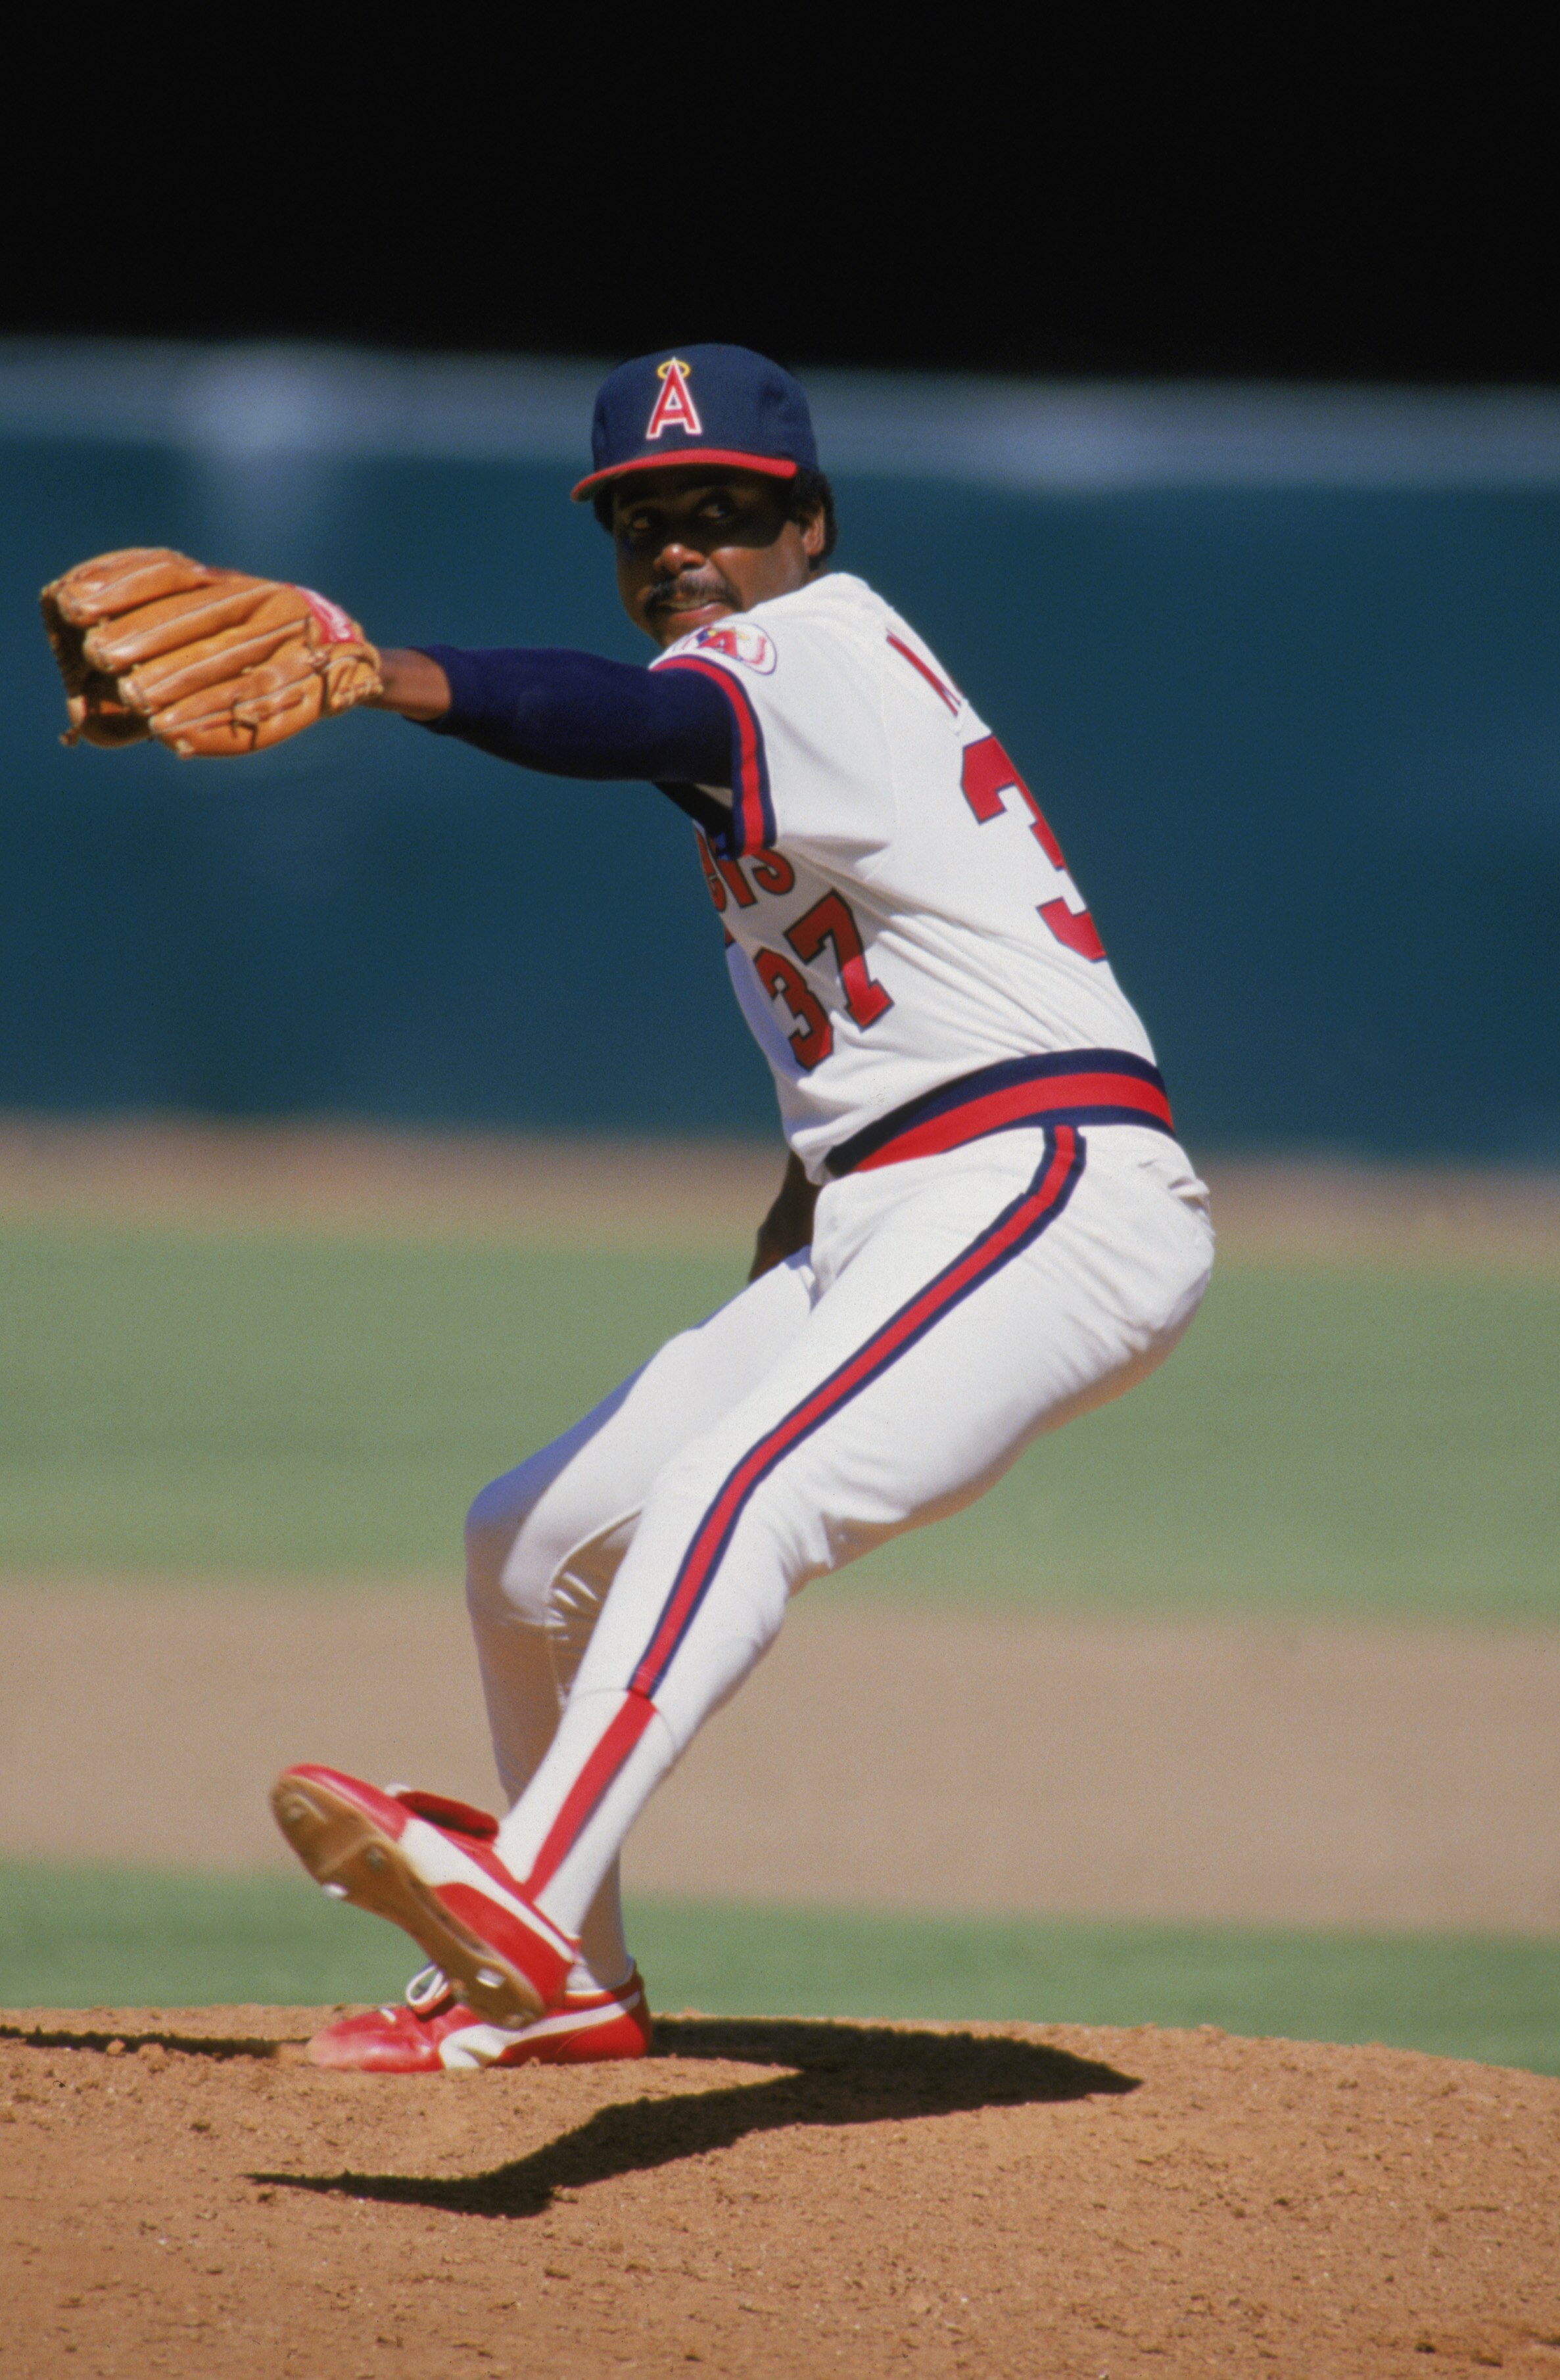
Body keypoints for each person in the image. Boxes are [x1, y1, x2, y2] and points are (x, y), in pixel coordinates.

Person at [265, 343, 1216, 2072]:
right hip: (906, 1204)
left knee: (739, 1493)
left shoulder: (805, 648)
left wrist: (386, 676)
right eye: (643, 519)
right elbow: (886, 989)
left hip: (1047, 1188)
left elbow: (629, 720)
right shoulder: (809, 688)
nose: (681, 550)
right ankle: (581, 1986)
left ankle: (527, 1897)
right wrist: (803, 1221)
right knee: (525, 1544)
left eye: (721, 512)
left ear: (808, 524)